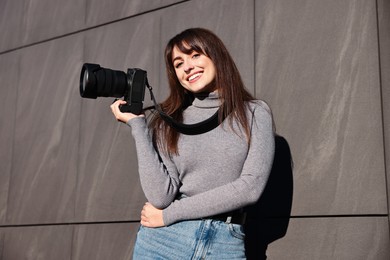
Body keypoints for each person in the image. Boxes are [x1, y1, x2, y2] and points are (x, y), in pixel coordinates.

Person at [110, 27, 275, 259]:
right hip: (163, 243)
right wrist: (138, 125)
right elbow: (160, 197)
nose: (187, 67)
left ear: (216, 56)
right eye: (178, 64)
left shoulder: (254, 113)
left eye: (195, 55)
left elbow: (250, 188)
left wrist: (170, 214)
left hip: (224, 244)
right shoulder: (169, 121)